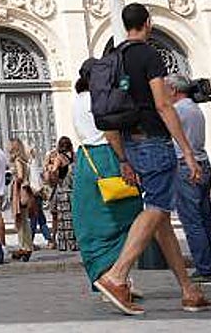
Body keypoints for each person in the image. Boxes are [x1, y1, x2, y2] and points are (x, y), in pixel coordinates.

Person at [94, 3, 211, 316]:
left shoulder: (114, 57)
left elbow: (109, 114)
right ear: (147, 23)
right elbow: (163, 104)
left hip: (131, 144)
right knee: (159, 209)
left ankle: (189, 290)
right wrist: (187, 150)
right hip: (155, 141)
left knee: (159, 218)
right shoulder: (148, 54)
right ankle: (117, 275)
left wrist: (122, 158)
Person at [70, 68, 143, 296]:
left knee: (94, 223)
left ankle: (108, 278)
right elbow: (111, 132)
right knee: (127, 217)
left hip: (86, 160)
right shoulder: (99, 97)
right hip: (108, 157)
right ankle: (117, 278)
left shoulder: (76, 101)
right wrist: (124, 159)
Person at [167, 73, 211, 285]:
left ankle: (206, 269)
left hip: (186, 166)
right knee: (206, 221)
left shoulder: (177, 111)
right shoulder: (194, 108)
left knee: (192, 222)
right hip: (203, 163)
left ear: (174, 90)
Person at [45, 136, 77, 252]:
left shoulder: (59, 158)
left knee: (63, 218)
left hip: (63, 190)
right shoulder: (74, 156)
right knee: (74, 217)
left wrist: (50, 170)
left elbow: (53, 172)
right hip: (74, 190)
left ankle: (66, 244)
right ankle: (75, 242)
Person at [8, 138, 37, 260]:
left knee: (20, 220)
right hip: (23, 191)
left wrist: (14, 179)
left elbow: (20, 176)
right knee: (24, 220)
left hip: (19, 191)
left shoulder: (18, 160)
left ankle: (24, 247)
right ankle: (26, 246)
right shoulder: (24, 160)